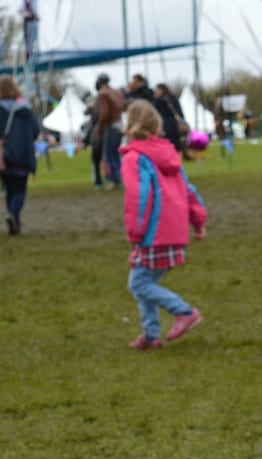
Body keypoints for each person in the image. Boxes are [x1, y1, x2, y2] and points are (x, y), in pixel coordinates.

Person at [120, 100, 207, 350]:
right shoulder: (168, 153)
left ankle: (184, 311)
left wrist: (135, 231)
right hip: (173, 231)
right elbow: (188, 190)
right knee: (141, 279)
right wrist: (198, 219)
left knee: (139, 283)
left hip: (153, 232)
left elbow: (139, 196)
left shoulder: (134, 158)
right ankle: (150, 334)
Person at [0, 74, 40, 235]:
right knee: (20, 188)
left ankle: (12, 215)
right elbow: (35, 130)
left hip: (4, 154)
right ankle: (14, 215)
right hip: (25, 154)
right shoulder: (26, 109)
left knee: (9, 188)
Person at [93, 73, 126, 190]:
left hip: (110, 126)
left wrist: (100, 127)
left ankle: (114, 179)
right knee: (116, 154)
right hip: (119, 124)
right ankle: (120, 177)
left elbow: (104, 113)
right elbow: (123, 106)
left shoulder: (103, 94)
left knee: (109, 154)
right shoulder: (117, 92)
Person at [152, 83, 186, 153]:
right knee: (176, 142)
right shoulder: (173, 98)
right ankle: (177, 156)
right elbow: (179, 111)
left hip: (165, 124)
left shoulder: (157, 101)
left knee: (166, 141)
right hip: (175, 124)